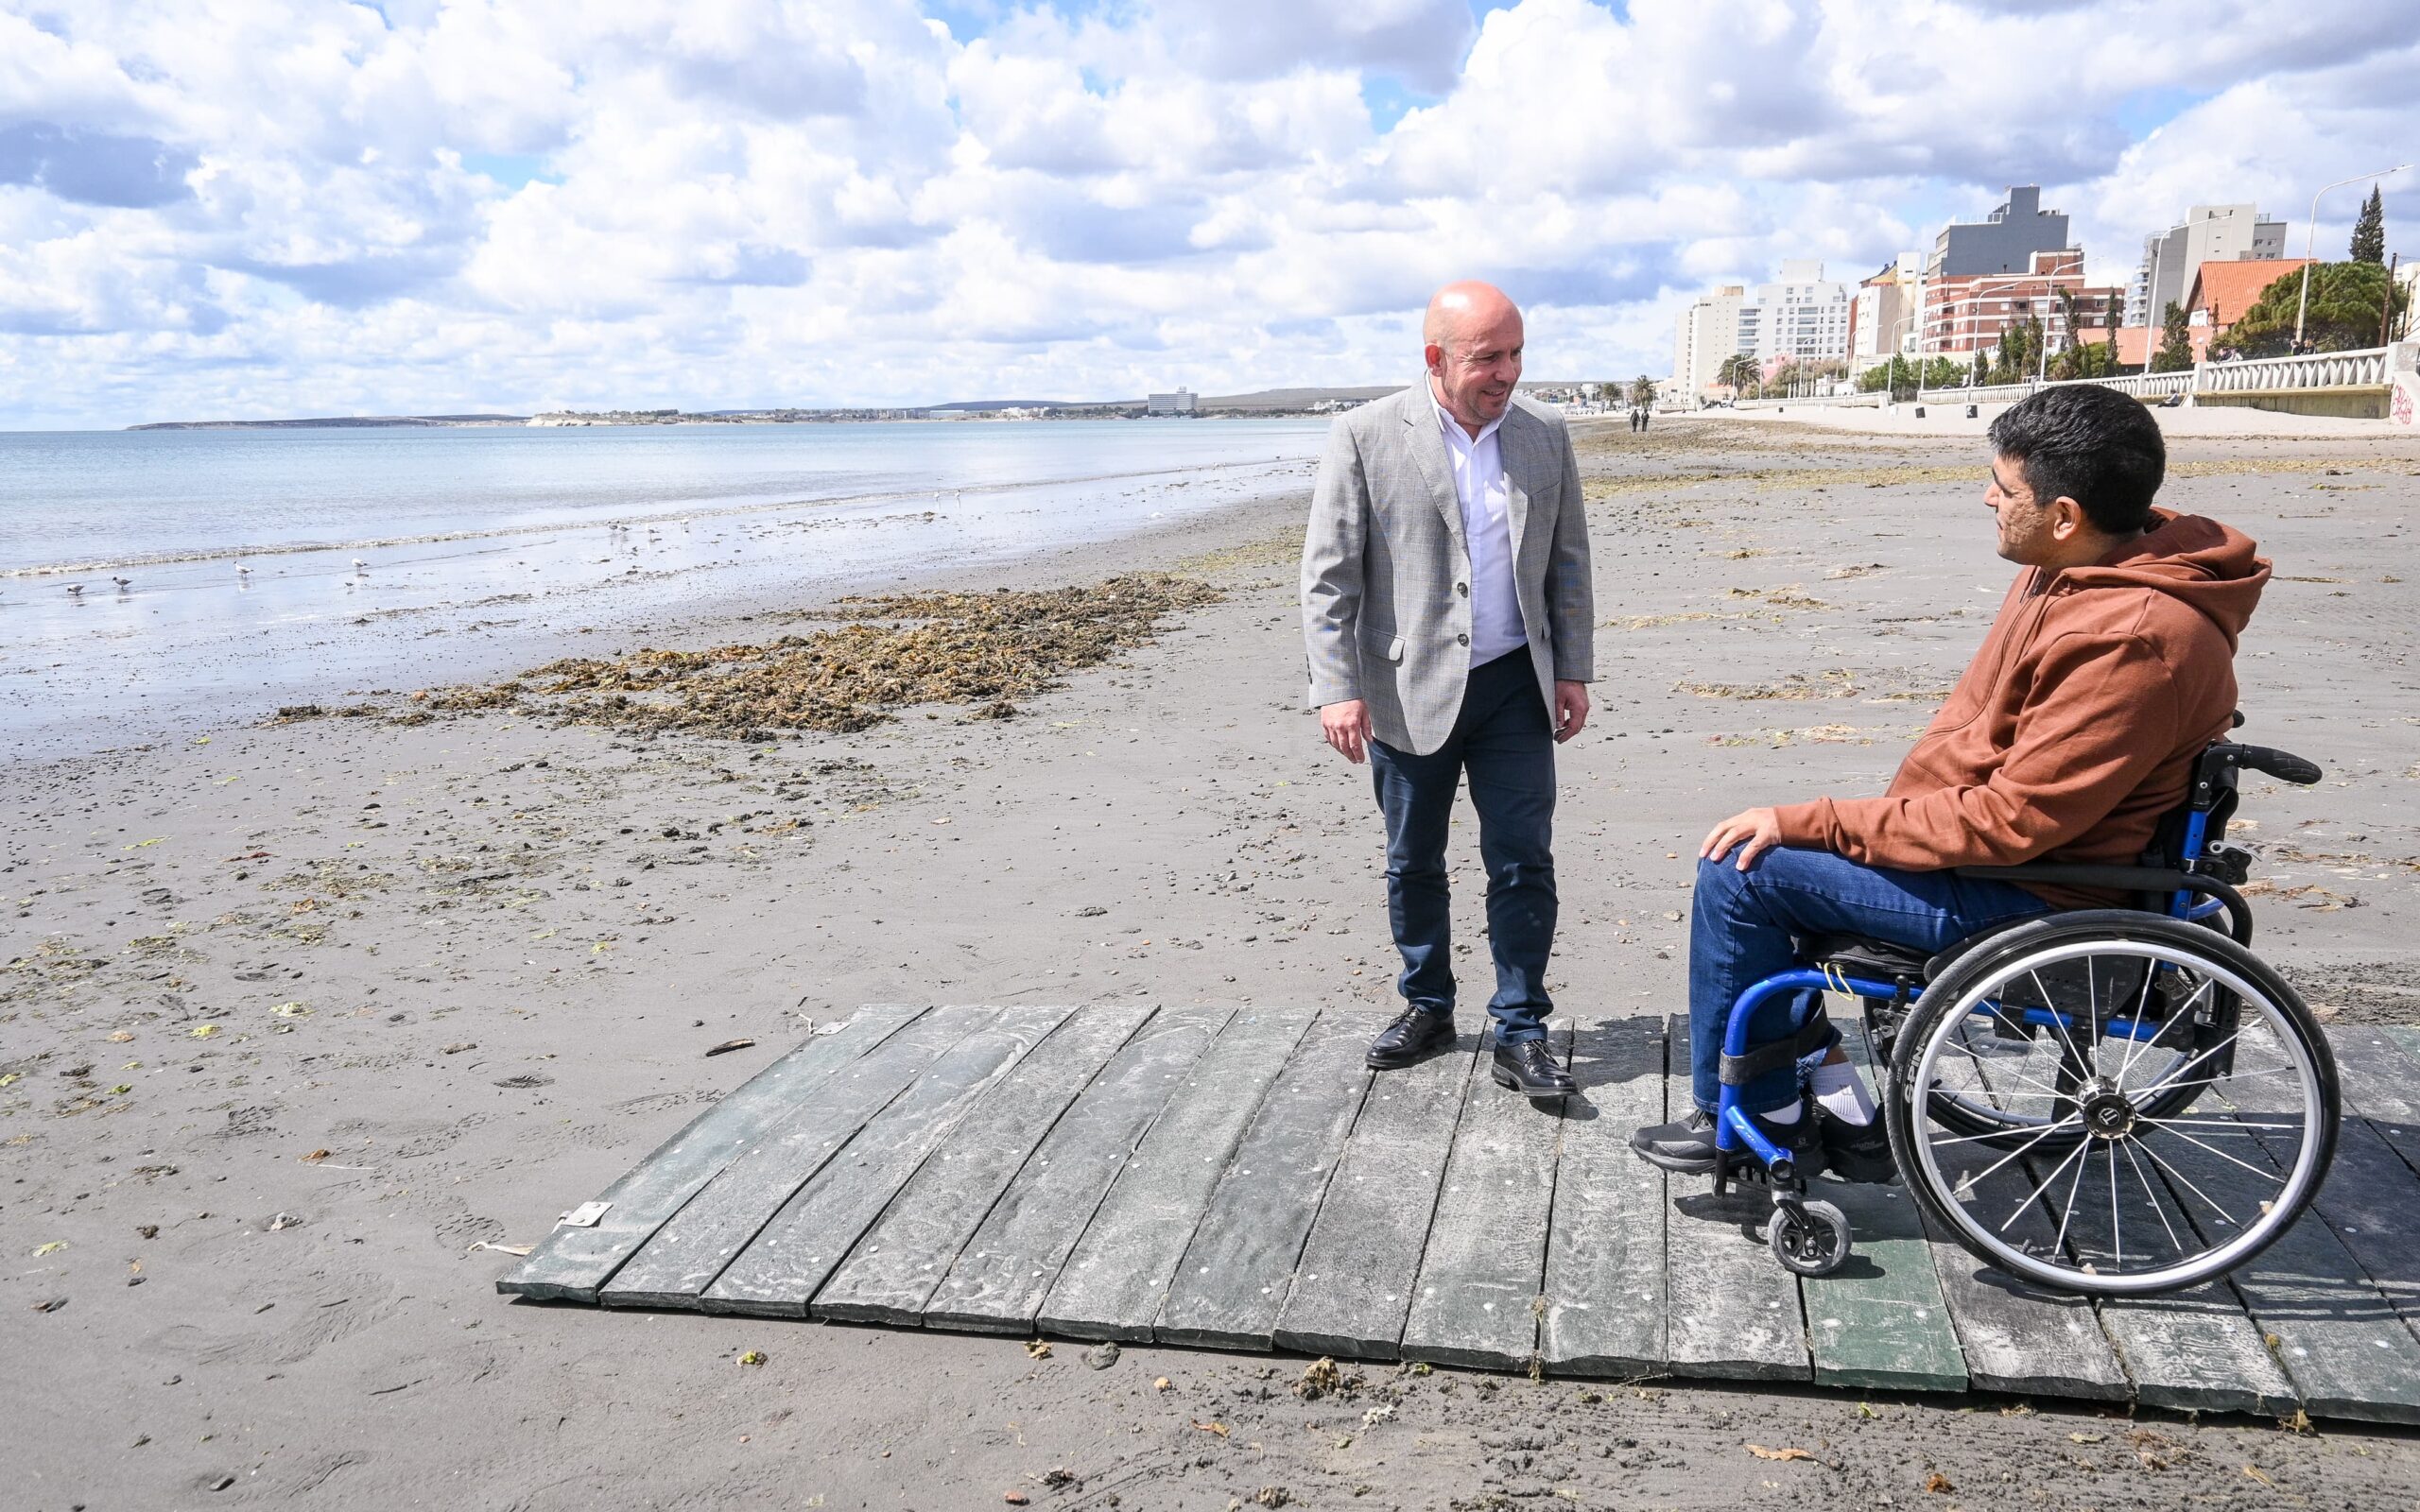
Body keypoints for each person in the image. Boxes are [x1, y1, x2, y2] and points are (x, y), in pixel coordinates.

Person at [1629, 385, 2268, 1178]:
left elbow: (2012, 821)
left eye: (2004, 489)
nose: (1988, 500)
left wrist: (1818, 822)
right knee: (1780, 866)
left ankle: (1752, 1118)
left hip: (2040, 893)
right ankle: (1835, 1100)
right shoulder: (2077, 566)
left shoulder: (2132, 637)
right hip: (2015, 859)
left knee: (1741, 871)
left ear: (2065, 514)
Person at [1301, 281, 1597, 1098]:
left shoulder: (1544, 432)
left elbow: (1569, 561)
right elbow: (1328, 576)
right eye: (1488, 357)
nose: (1509, 372)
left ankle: (1522, 1029)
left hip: (1515, 686)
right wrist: (1336, 686)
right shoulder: (1364, 435)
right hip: (1405, 688)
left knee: (1523, 859)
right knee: (1412, 860)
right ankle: (1428, 1006)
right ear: (1436, 358)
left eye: (1517, 353)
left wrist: (1572, 668)